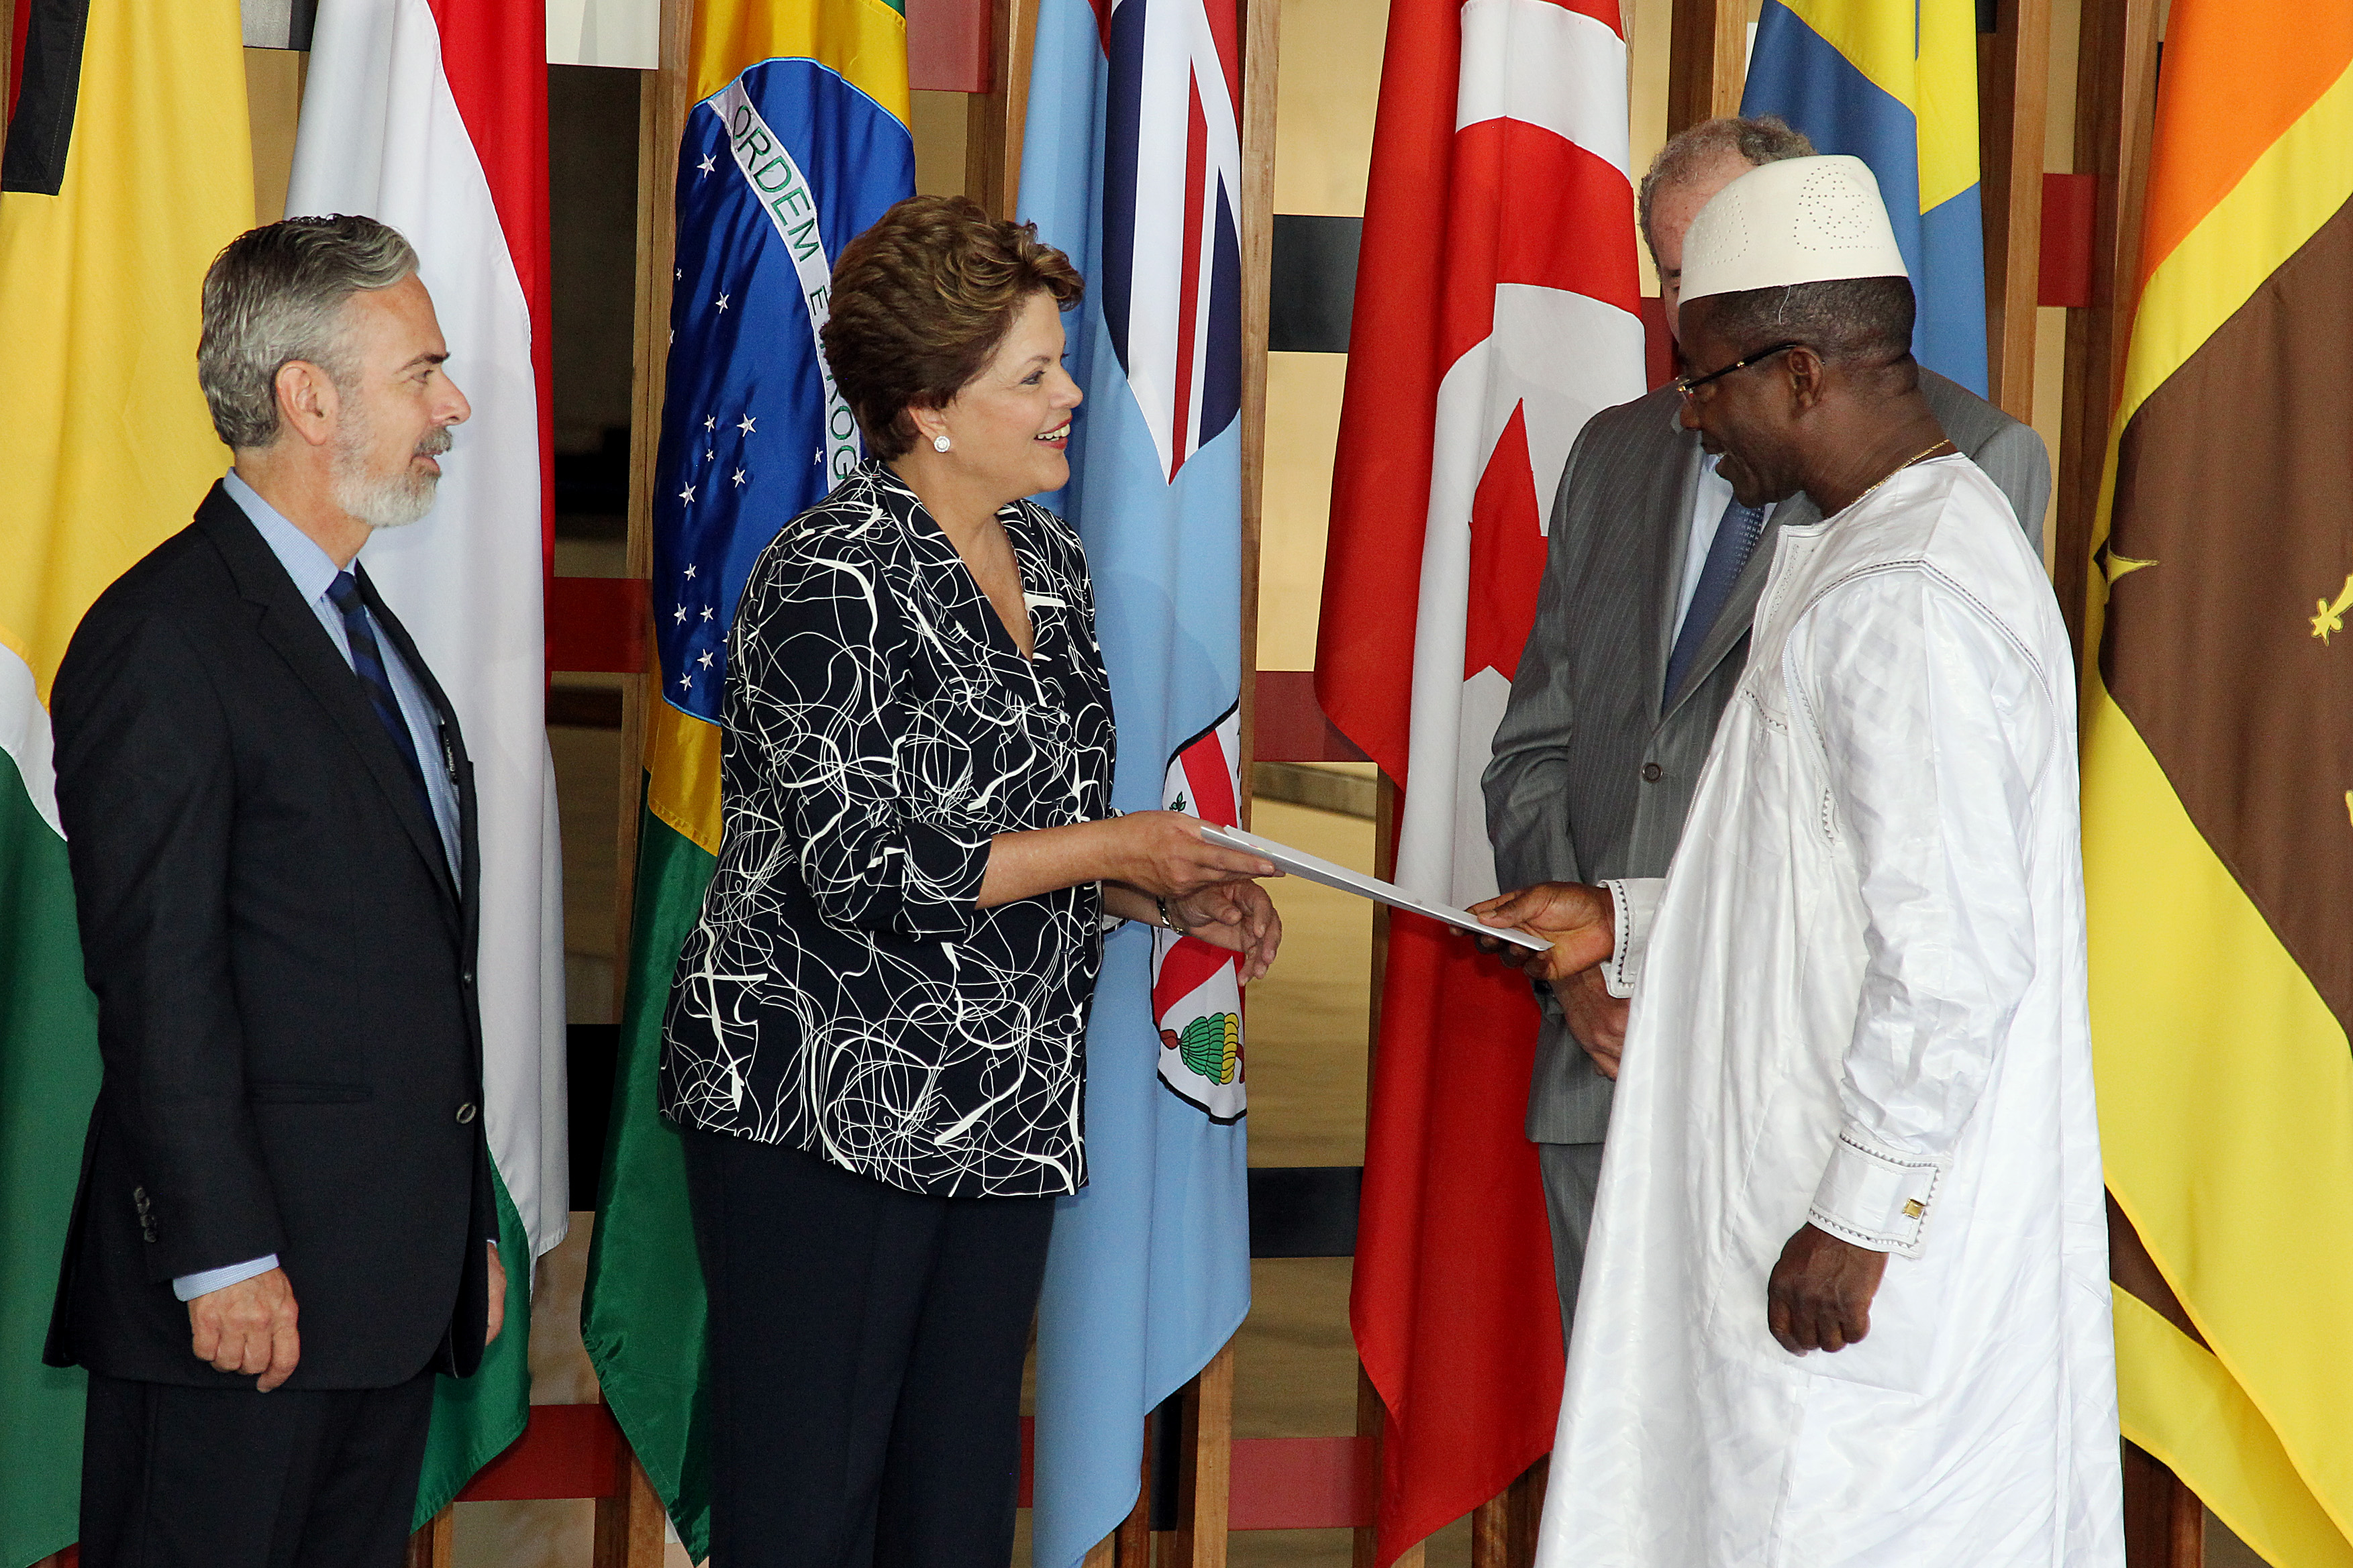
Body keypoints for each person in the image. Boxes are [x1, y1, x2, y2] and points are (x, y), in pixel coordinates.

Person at [1477, 156, 2123, 1563]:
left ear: (1802, 372)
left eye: (1706, 379)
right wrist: (1619, 918)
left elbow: (1952, 952)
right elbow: (1813, 887)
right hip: (1800, 1206)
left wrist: (1855, 1215)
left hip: (1867, 1263)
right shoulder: (1868, 547)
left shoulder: (1910, 595)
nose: (1691, 413)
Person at [656, 193, 1282, 1567]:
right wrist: (1120, 845)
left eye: (1059, 362)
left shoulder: (1047, 561)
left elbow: (1023, 838)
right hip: (822, 1121)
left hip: (995, 1121)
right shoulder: (829, 575)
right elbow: (861, 860)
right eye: (1035, 374)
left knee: (948, 1516)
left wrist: (1160, 894)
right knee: (809, 1514)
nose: (1070, 396)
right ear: (928, 406)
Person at [44, 215, 502, 1568]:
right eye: (421, 370)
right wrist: (222, 1253)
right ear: (308, 397)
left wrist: (457, 1223)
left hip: (375, 1290)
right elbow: (160, 975)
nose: (452, 403)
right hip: (244, 1306)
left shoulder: (359, 622)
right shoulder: (164, 636)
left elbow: (410, 962)